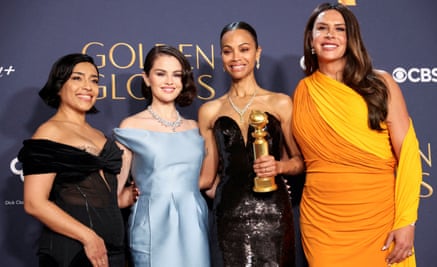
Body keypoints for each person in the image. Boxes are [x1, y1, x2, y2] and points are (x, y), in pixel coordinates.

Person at [292, 3, 422, 267]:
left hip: (379, 220)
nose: (330, 35)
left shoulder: (381, 83)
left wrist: (406, 220)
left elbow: (408, 154)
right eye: (322, 29)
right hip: (322, 224)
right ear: (311, 39)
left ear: (351, 39)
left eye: (339, 29)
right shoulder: (303, 91)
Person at [198, 21, 305, 266]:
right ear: (222, 57)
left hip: (274, 215)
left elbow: (299, 162)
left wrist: (279, 167)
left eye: (244, 49)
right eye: (228, 51)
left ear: (257, 53)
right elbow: (208, 177)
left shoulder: (280, 103)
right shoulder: (209, 111)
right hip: (228, 217)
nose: (236, 57)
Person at [18, 53, 137, 267]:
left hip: (112, 251)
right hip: (73, 252)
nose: (88, 86)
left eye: (94, 80)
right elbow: (34, 203)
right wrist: (88, 237)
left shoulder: (100, 135)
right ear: (58, 85)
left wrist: (126, 197)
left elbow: (101, 197)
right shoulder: (49, 132)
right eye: (77, 78)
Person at [113, 45, 210, 267]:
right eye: (160, 74)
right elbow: (114, 193)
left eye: (176, 75)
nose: (169, 81)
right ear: (146, 78)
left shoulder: (195, 128)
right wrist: (126, 195)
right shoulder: (132, 126)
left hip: (194, 224)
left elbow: (209, 180)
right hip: (152, 225)